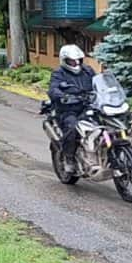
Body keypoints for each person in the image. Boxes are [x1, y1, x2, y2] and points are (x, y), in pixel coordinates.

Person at [48, 44, 96, 172]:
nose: (75, 64)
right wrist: (62, 96)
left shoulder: (88, 71)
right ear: (64, 60)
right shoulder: (58, 73)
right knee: (72, 127)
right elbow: (53, 89)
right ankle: (68, 158)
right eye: (71, 61)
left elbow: (98, 82)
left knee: (105, 121)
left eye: (78, 60)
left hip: (87, 106)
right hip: (68, 109)